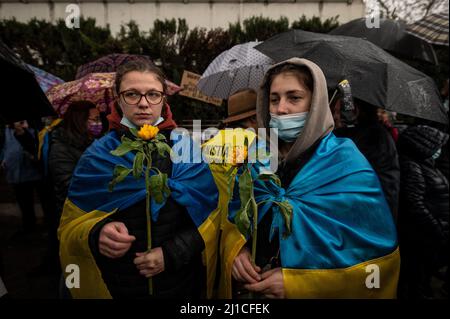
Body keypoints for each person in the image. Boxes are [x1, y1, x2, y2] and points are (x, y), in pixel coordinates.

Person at [219, 58, 400, 298]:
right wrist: (237, 251)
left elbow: (377, 265)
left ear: (316, 103)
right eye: (274, 99)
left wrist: (299, 285)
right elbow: (233, 220)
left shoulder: (347, 164)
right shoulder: (256, 158)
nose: (280, 109)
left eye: (294, 98)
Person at [57, 60, 218, 298]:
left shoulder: (187, 151)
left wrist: (172, 253)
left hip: (180, 284)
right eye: (132, 94)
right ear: (118, 100)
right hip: (118, 287)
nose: (143, 103)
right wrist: (96, 233)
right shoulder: (96, 157)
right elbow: (70, 226)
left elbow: (211, 221)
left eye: (153, 94)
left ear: (163, 100)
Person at [397, 125, 449, 299]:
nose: (439, 151)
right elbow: (414, 204)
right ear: (424, 145)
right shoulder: (412, 167)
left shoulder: (426, 164)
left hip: (430, 236)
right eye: (437, 146)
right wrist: (436, 228)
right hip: (422, 237)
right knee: (416, 282)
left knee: (422, 278)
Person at [332, 99, 400, 222]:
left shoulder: (371, 138)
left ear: (354, 111)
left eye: (337, 111)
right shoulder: (368, 134)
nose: (335, 116)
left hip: (370, 217)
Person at [1, 120, 44, 234]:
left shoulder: (33, 127)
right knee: (23, 201)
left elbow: (36, 146)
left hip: (33, 170)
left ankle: (46, 226)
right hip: (15, 170)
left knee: (42, 198)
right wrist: (3, 158)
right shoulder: (7, 129)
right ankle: (28, 226)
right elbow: (5, 146)